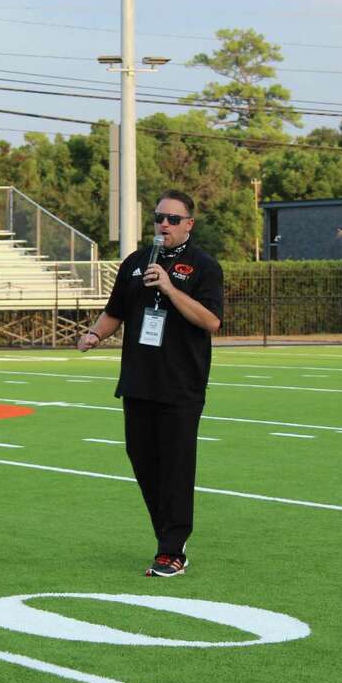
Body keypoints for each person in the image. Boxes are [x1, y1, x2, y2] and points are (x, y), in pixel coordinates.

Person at [77, 190, 224, 577]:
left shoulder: (203, 266)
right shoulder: (136, 263)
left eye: (174, 219)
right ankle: (168, 537)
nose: (164, 225)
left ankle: (172, 548)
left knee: (176, 467)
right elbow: (115, 313)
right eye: (160, 217)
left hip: (181, 385)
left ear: (189, 224)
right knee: (143, 461)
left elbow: (210, 321)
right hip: (139, 381)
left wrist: (171, 289)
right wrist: (94, 335)